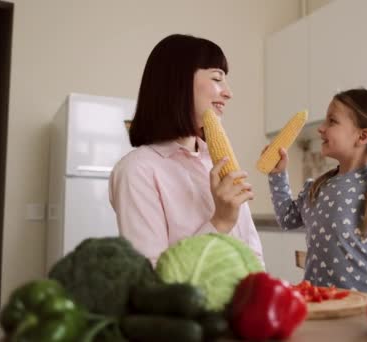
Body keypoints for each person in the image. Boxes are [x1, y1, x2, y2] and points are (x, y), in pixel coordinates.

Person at [109, 34, 263, 266]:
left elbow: (252, 251)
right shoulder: (137, 170)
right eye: (217, 78)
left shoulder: (216, 161)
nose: (228, 92)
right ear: (178, 81)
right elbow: (151, 277)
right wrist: (220, 222)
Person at [266, 88, 367, 292]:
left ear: (362, 136)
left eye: (332, 121)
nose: (321, 128)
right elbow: (287, 219)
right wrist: (278, 175)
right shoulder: (317, 186)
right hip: (320, 301)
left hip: (366, 304)